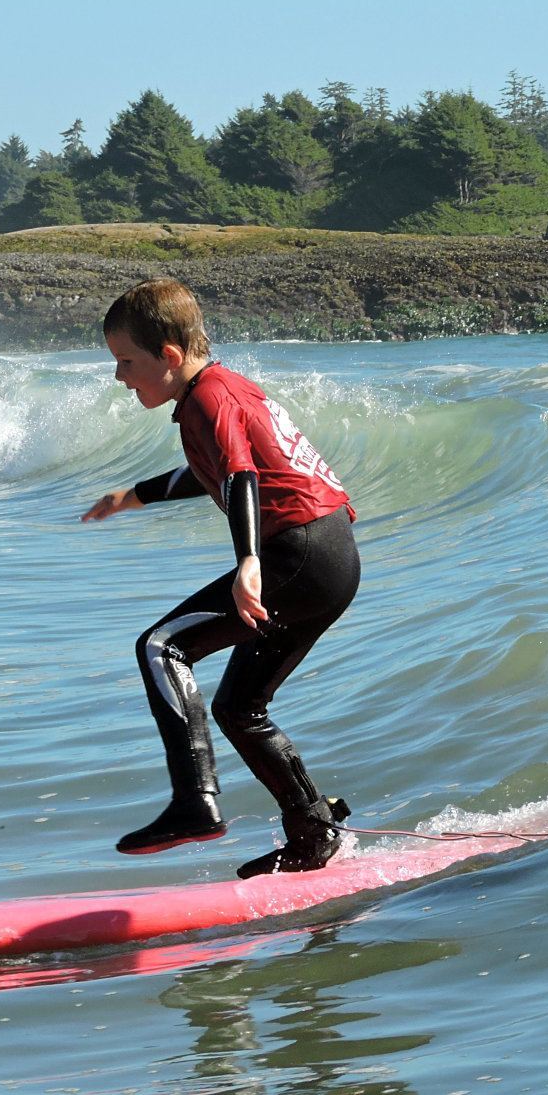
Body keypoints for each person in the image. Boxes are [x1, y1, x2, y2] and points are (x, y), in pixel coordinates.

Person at [82, 278, 360, 877]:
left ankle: (194, 804)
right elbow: (210, 469)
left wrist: (249, 562)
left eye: (127, 363)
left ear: (170, 356)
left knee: (162, 648)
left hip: (296, 554)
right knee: (240, 706)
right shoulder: (221, 391)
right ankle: (313, 830)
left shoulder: (209, 398)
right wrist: (135, 495)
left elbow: (240, 477)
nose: (119, 377)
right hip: (330, 557)